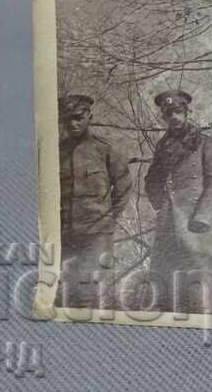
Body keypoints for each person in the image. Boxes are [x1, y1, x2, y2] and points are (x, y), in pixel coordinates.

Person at [144, 89, 212, 314]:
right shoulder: (163, 147)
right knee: (165, 268)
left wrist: (203, 216)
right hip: (169, 220)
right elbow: (152, 179)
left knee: (199, 269)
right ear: (163, 117)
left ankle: (205, 315)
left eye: (178, 112)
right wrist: (161, 204)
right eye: (169, 114)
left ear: (186, 112)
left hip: (197, 219)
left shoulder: (206, 143)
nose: (174, 117)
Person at [57, 94, 133, 309]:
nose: (73, 123)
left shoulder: (105, 149)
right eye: (67, 119)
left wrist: (108, 218)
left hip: (96, 235)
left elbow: (124, 187)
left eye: (78, 117)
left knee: (89, 294)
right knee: (66, 294)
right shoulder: (57, 151)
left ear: (89, 117)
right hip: (66, 234)